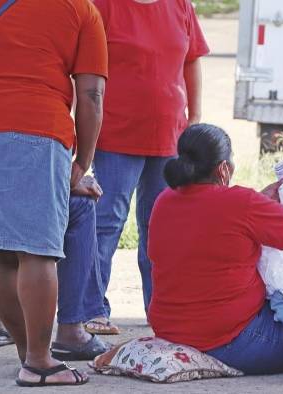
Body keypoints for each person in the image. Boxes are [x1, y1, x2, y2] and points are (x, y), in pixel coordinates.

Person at [0, 0, 107, 387]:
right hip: (38, 129)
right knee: (37, 250)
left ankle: (30, 354)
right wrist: (81, 164)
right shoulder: (80, 10)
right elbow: (91, 95)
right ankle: (39, 362)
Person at [147, 124, 283, 374]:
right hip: (232, 340)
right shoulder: (240, 203)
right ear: (223, 169)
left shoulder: (164, 200)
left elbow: (213, 227)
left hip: (171, 330)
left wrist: (260, 201)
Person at [88, 0, 210, 333]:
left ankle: (162, 312)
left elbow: (192, 59)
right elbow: (84, 69)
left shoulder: (179, 5)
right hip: (116, 134)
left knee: (161, 229)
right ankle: (91, 311)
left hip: (169, 137)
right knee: (106, 223)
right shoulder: (103, 5)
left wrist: (195, 118)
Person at [0, 172, 109, 358]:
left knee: (3, 209)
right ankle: (70, 330)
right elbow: (13, 169)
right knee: (80, 205)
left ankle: (1, 324)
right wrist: (69, 177)